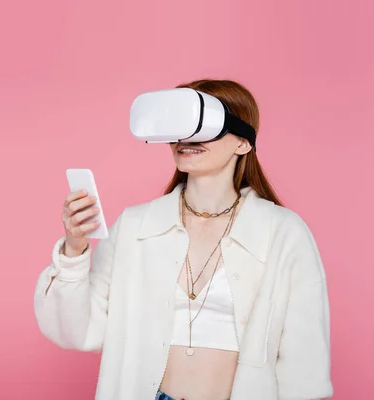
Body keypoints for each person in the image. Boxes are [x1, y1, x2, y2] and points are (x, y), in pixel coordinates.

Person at [33, 79, 333, 400]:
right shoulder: (135, 226)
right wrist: (74, 250)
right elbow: (79, 330)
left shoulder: (283, 232)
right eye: (180, 126)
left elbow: (304, 363)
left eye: (204, 126)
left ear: (243, 143)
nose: (187, 139)